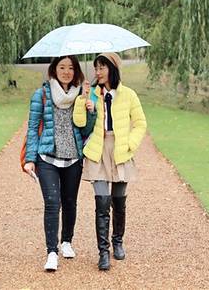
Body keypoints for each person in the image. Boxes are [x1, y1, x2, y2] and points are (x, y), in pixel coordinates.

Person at [73, 52, 147, 271]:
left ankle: (118, 241)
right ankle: (103, 252)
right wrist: (83, 101)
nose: (98, 72)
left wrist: (130, 145)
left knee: (119, 200)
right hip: (98, 150)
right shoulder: (92, 94)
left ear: (112, 69)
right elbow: (79, 123)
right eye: (96, 68)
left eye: (102, 67)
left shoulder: (128, 95)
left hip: (120, 150)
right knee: (102, 202)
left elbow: (140, 123)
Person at [24, 55, 96, 272]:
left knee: (70, 202)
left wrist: (90, 110)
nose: (66, 72)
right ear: (54, 70)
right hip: (47, 157)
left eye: (71, 68)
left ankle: (66, 241)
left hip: (73, 157)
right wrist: (30, 159)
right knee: (52, 203)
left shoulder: (81, 95)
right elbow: (32, 127)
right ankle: (52, 252)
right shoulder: (41, 94)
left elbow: (86, 129)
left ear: (76, 71)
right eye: (62, 67)